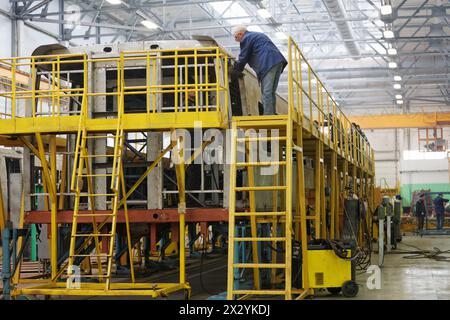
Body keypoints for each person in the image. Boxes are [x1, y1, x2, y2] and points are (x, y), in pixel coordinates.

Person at [232, 25, 287, 115]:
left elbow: (243, 56)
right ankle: (271, 113)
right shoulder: (256, 35)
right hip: (278, 62)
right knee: (271, 92)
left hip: (268, 63)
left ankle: (269, 115)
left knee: (266, 92)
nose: (235, 40)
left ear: (241, 34)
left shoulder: (246, 38)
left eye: (236, 37)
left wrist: (236, 69)